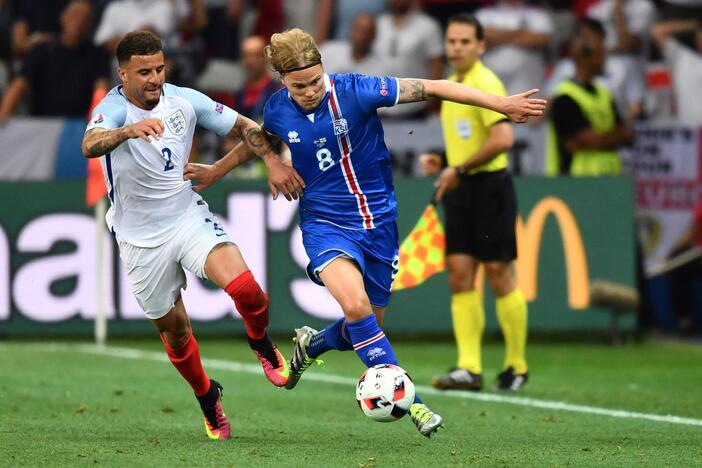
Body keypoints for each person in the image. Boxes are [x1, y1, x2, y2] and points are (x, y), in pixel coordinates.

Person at [183, 28, 545, 437]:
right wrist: (239, 167)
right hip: (325, 224)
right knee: (355, 308)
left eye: (316, 81)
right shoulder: (278, 108)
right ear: (282, 81)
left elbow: (433, 86)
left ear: (325, 70)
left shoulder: (358, 90)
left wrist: (501, 104)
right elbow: (259, 139)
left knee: (366, 323)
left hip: (380, 224)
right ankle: (417, 406)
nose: (310, 91)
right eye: (299, 85)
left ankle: (312, 345)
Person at [81, 30, 304, 441]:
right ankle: (207, 396)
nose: (154, 78)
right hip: (139, 238)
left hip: (185, 218)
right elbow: (91, 144)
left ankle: (261, 343)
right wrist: (126, 132)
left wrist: (267, 161)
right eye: (143, 71)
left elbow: (249, 128)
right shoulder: (111, 108)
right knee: (175, 332)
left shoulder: (185, 100)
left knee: (247, 290)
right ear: (123, 74)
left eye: (159, 68)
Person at [419, 14, 529, 393]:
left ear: (481, 46)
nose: (457, 48)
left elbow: (502, 140)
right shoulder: (454, 85)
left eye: (465, 41)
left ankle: (517, 365)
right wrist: (446, 162)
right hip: (463, 186)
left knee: (498, 274)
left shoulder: (485, 83)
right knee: (460, 276)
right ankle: (469, 368)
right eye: (452, 41)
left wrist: (458, 169)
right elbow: (470, 139)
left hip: (489, 188)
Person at [546, 19, 634, 176]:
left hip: (610, 178)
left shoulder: (603, 93)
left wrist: (601, 139)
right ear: (584, 59)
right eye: (599, 54)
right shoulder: (564, 98)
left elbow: (627, 134)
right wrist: (613, 137)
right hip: (576, 181)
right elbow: (582, 141)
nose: (604, 60)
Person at [0, 0, 110, 123]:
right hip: (42, 123)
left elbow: (100, 89)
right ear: (63, 16)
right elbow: (20, 84)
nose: (79, 21)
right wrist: (3, 115)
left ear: (90, 24)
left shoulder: (98, 54)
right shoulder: (42, 50)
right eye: (75, 15)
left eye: (85, 18)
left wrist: (96, 121)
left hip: (78, 123)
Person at [651, 19, 702, 125]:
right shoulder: (683, 58)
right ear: (697, 39)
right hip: (689, 136)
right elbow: (658, 31)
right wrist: (695, 24)